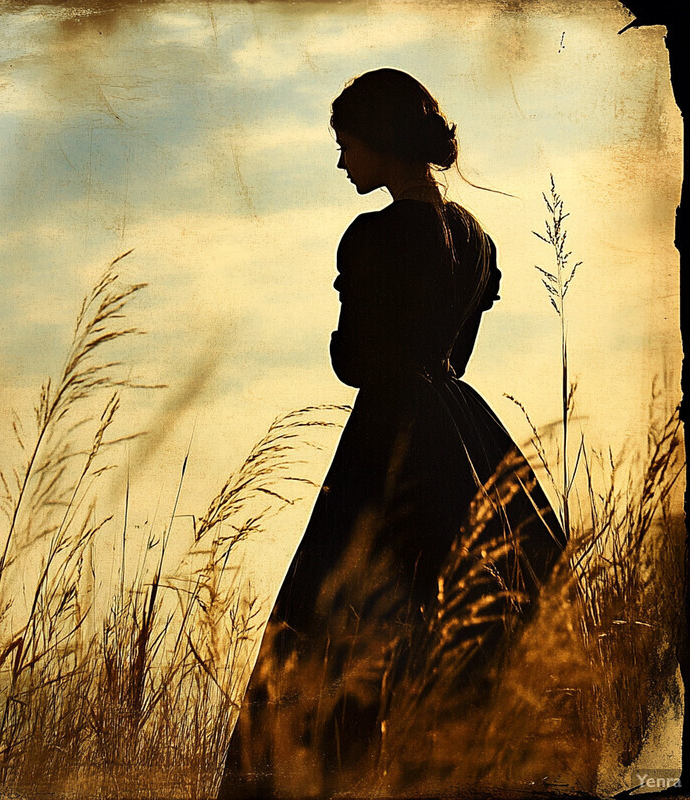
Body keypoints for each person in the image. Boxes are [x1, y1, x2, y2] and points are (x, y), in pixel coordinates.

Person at [219, 68, 566, 799]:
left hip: (389, 440)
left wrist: (361, 346)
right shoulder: (477, 239)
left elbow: (354, 361)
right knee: (461, 615)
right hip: (462, 434)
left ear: (379, 140)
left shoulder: (373, 235)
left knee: (335, 617)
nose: (342, 159)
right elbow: (457, 353)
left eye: (347, 143)